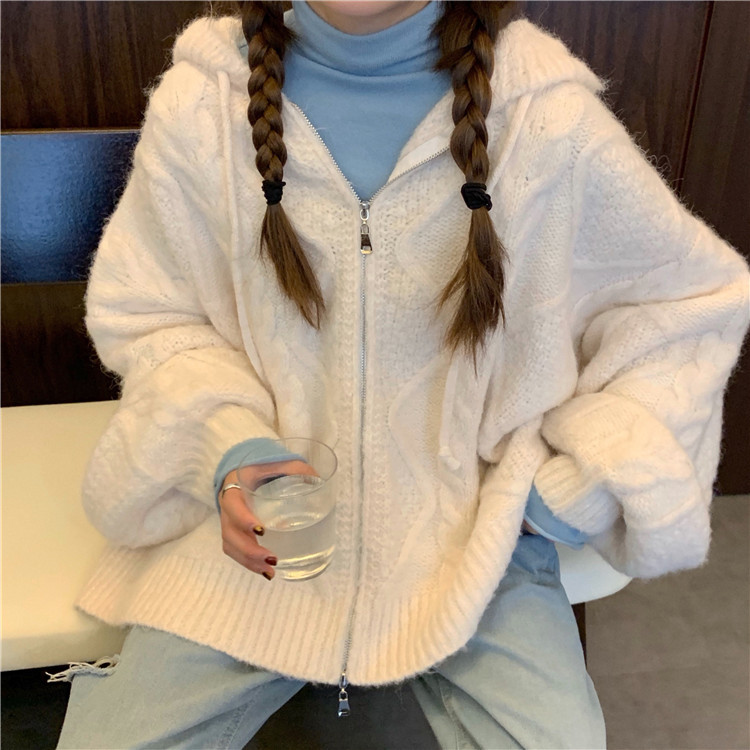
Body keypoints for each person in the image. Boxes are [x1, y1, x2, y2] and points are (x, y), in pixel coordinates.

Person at [51, 1, 750, 748]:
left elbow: (687, 304)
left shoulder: (548, 117)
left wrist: (566, 491)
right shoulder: (202, 104)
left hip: (478, 544)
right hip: (258, 534)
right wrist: (226, 444)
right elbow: (151, 315)